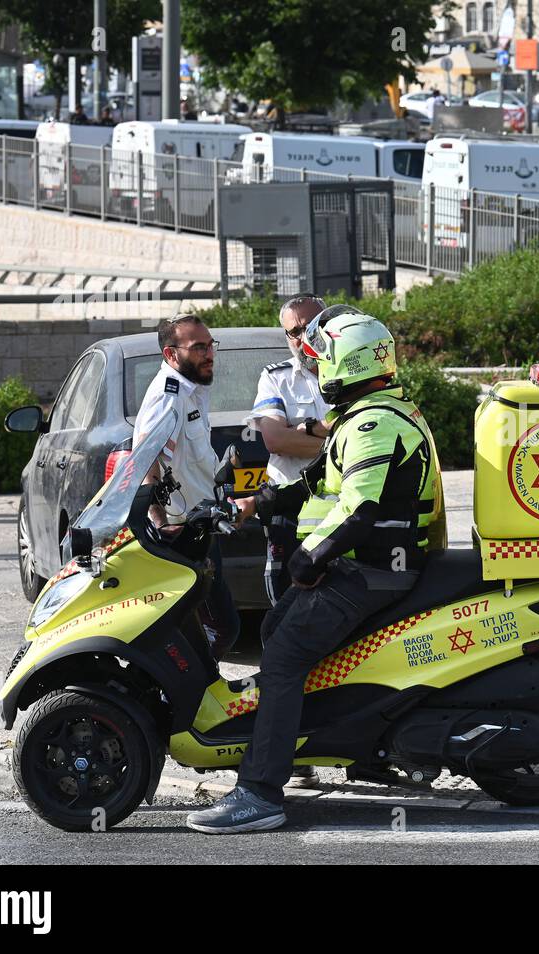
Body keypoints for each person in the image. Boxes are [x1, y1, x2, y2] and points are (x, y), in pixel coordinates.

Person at [186, 306, 446, 834]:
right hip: (371, 566)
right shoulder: (371, 415)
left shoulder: (373, 424)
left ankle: (260, 791)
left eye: (324, 357)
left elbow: (360, 509)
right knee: (279, 627)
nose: (317, 364)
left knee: (283, 653)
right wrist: (255, 504)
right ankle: (317, 744)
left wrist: (311, 559)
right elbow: (315, 484)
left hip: (374, 570)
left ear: (344, 364)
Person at [133, 313, 240, 660]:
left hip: (201, 527)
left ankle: (190, 697)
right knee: (216, 628)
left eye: (210, 345)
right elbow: (144, 462)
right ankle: (177, 700)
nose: (209, 354)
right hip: (183, 536)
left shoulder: (193, 390)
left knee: (211, 629)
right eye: (198, 348)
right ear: (171, 354)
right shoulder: (169, 396)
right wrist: (163, 526)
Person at [246, 295, 330, 608]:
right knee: (288, 602)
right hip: (290, 509)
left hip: (344, 509)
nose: (302, 337)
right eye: (293, 332)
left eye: (310, 327)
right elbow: (275, 440)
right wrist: (340, 442)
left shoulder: (354, 374)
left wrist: (301, 432)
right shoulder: (276, 378)